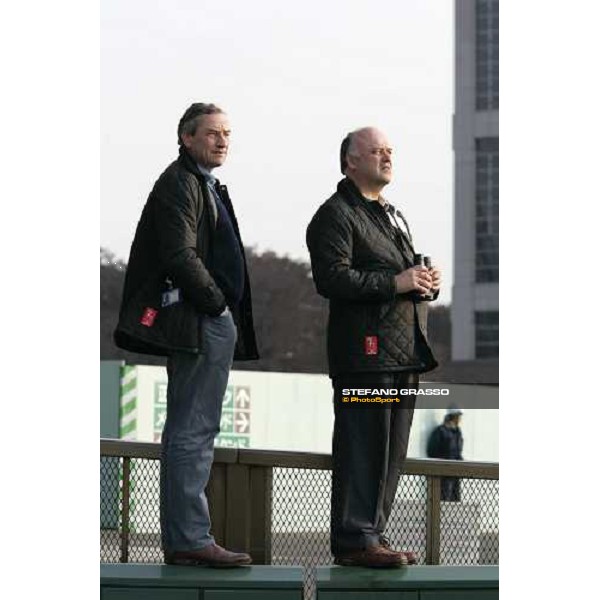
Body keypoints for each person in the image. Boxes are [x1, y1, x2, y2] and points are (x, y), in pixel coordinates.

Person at [114, 102, 259, 567]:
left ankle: (187, 537)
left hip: (210, 319)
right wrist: (216, 304)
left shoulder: (204, 184)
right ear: (186, 137)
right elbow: (180, 252)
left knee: (192, 428)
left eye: (227, 134)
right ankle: (190, 538)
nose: (222, 141)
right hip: (201, 319)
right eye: (213, 133)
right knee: (192, 430)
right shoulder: (180, 182)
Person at [306, 127, 442, 568]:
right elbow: (332, 279)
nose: (386, 157)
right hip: (365, 358)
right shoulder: (335, 215)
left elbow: (398, 278)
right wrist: (396, 281)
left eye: (389, 151)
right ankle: (355, 540)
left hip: (403, 354)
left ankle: (373, 536)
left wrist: (422, 283)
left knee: (390, 453)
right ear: (350, 161)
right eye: (375, 151)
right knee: (364, 447)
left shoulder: (390, 214)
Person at [427, 407, 464, 501]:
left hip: (455, 473)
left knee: (455, 500)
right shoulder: (440, 432)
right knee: (443, 498)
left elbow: (458, 452)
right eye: (458, 416)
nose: (460, 419)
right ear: (453, 417)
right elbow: (432, 451)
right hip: (443, 474)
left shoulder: (457, 432)